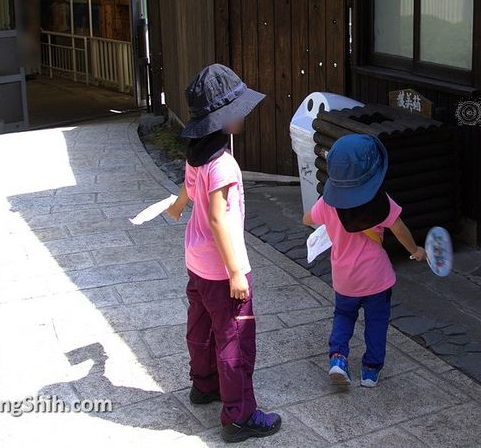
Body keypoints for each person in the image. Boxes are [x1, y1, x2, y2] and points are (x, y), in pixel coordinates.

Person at [166, 64, 281, 443]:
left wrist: (179, 206)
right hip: (221, 267)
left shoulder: (197, 153)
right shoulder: (224, 164)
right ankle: (240, 416)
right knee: (235, 338)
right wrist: (235, 272)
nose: (245, 114)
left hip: (196, 261)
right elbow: (218, 218)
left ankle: (204, 385)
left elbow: (188, 188)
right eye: (240, 109)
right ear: (223, 117)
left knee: (200, 327)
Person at [302, 134, 426, 388]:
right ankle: (370, 370)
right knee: (377, 322)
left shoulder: (328, 203)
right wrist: (415, 250)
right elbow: (400, 230)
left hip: (345, 279)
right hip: (377, 279)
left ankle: (338, 358)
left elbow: (308, 218)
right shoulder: (382, 202)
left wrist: (323, 221)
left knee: (344, 316)